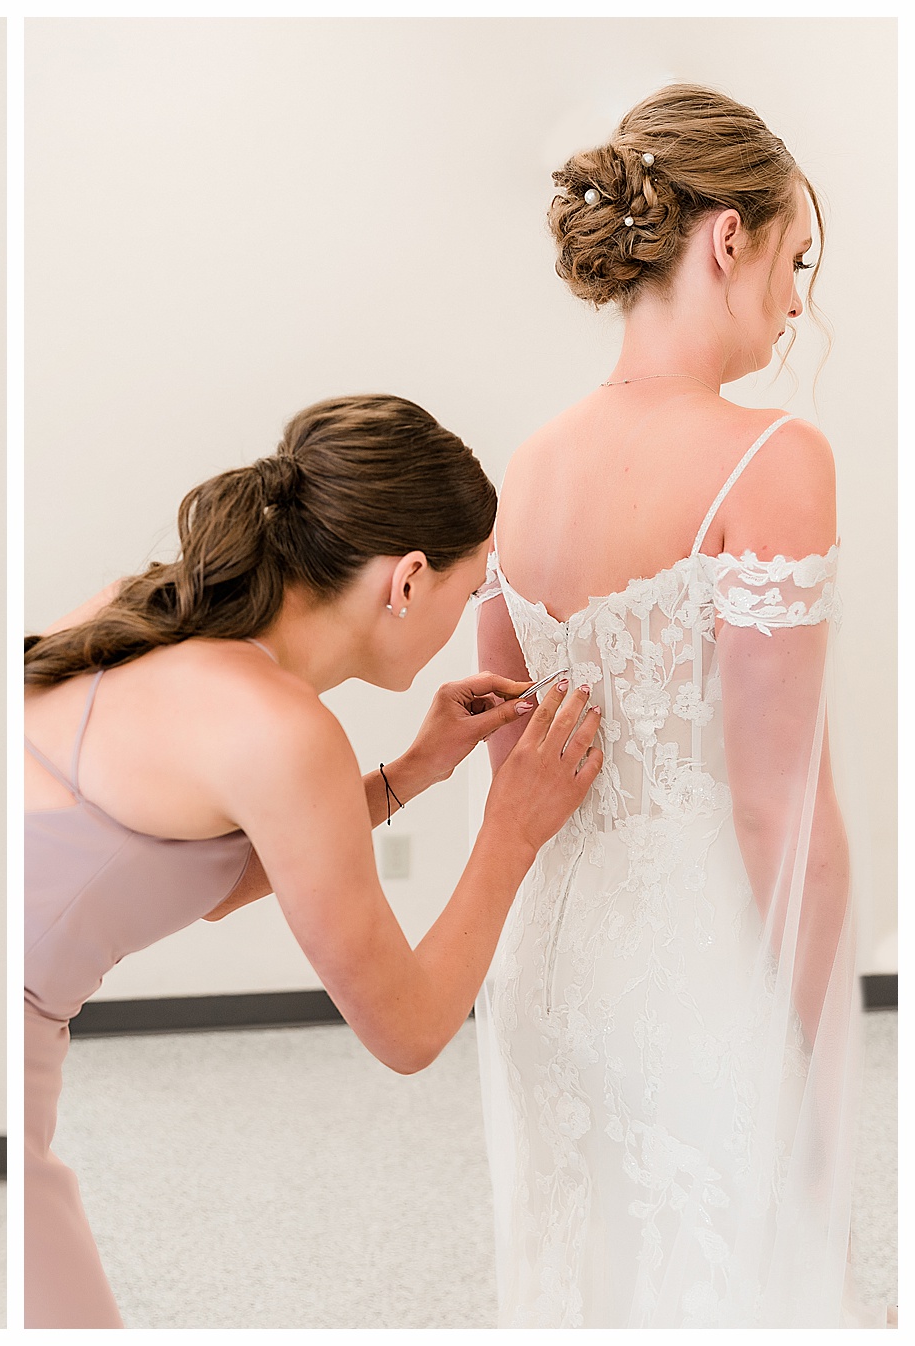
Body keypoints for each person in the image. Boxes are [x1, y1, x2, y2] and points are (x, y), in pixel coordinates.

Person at [23, 393, 604, 1327]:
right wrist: (512, 828)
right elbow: (409, 1032)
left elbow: (201, 878)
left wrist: (408, 773)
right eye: (477, 582)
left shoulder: (155, 611)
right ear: (410, 578)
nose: (476, 608)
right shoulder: (283, 730)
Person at [475, 85, 865, 1327]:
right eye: (795, 260)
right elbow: (776, 803)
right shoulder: (775, 458)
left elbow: (509, 750)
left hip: (545, 963)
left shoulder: (528, 464)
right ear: (726, 238)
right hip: (693, 969)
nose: (798, 302)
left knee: (585, 1272)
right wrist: (820, 1053)